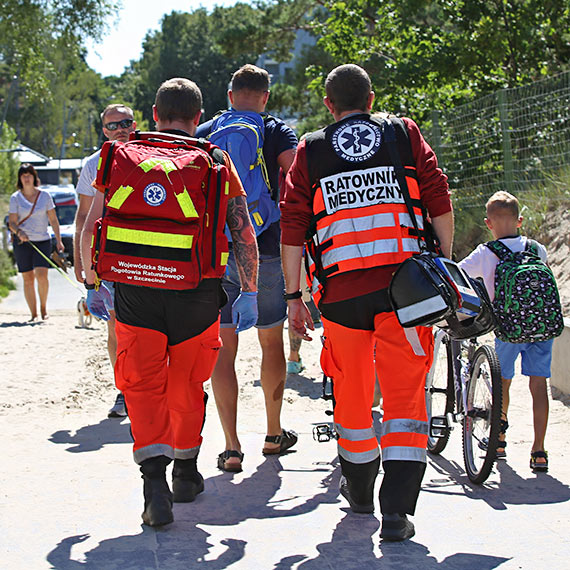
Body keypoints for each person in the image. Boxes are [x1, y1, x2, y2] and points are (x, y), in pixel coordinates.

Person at [280, 64, 453, 541]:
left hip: (341, 294)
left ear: (328, 105)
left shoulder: (311, 149)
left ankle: (359, 491)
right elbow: (438, 196)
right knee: (404, 399)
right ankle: (396, 511)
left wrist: (294, 296)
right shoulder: (402, 132)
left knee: (353, 396)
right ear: (371, 99)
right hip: (406, 291)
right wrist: (445, 267)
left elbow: (293, 225)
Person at [80, 77, 259, 527]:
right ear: (199, 119)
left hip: (136, 291)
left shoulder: (119, 156)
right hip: (197, 293)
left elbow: (90, 226)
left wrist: (93, 282)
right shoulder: (215, 159)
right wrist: (251, 291)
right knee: (185, 386)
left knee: (142, 387)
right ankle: (185, 471)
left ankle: (154, 487)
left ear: (154, 115)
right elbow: (242, 232)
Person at [196, 64, 298, 471]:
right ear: (265, 96)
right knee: (271, 342)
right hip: (266, 245)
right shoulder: (276, 130)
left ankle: (232, 446)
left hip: (220, 250)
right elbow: (294, 173)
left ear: (229, 94)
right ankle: (273, 434)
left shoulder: (206, 133)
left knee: (224, 349)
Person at [459, 191, 553, 471]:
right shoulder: (537, 249)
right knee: (539, 385)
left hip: (508, 329)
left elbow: (460, 275)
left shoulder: (486, 253)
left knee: (503, 383)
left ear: (488, 224)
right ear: (520, 220)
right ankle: (539, 451)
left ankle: (498, 439)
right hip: (541, 327)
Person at [74, 104, 137, 418]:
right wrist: (83, 263)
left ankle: (150, 388)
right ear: (104, 131)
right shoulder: (93, 164)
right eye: (113, 125)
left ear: (135, 123)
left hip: (147, 256)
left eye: (125, 123)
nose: (120, 129)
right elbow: (84, 217)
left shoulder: (150, 151)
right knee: (116, 327)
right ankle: (124, 391)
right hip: (109, 259)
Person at [8, 164, 64, 321]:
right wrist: (19, 232)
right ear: (20, 178)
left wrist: (58, 241)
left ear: (34, 177)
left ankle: (43, 309)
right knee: (27, 279)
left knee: (41, 274)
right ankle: (33, 314)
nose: (26, 178)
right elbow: (12, 223)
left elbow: (53, 220)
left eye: (29, 175)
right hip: (22, 243)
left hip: (42, 240)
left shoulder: (45, 196)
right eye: (23, 175)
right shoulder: (15, 198)